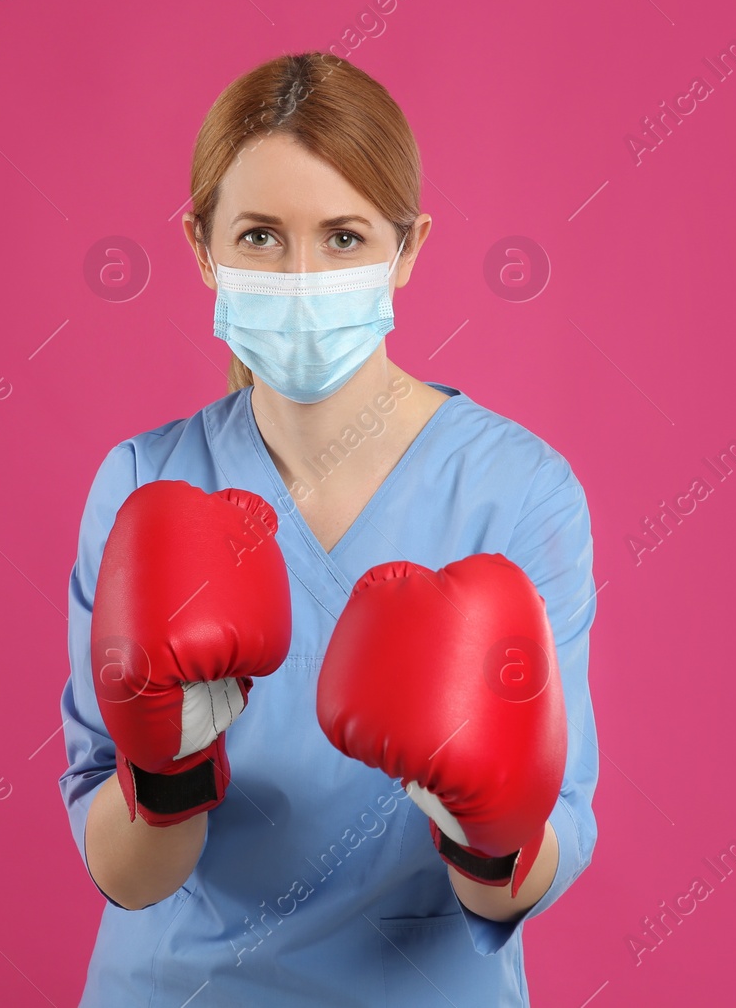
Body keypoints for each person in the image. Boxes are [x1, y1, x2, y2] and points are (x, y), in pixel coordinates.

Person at [57, 50, 601, 1006]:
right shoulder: (144, 485)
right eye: (262, 236)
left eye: (344, 237)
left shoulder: (518, 490)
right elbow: (128, 876)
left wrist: (489, 820)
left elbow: (531, 874)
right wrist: (168, 765)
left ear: (409, 248)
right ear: (201, 246)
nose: (302, 274)